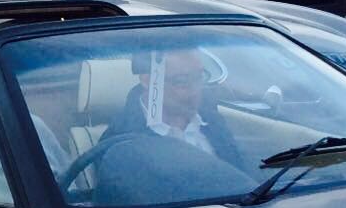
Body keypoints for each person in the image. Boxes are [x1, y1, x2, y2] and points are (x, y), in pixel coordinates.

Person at [104, 48, 245, 169]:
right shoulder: (120, 140)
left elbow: (245, 181)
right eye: (181, 81)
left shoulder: (213, 122)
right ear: (147, 81)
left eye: (198, 77)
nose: (195, 90)